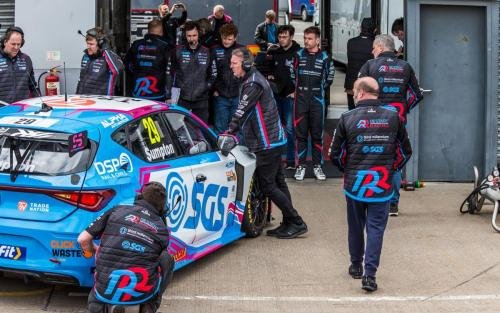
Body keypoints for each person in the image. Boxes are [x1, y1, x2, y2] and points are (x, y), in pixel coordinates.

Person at [328, 77, 412, 292]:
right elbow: (405, 151)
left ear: (362, 93)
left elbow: (335, 154)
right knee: (375, 229)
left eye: (355, 90)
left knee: (355, 225)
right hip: (382, 185)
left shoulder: (347, 117)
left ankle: (356, 265)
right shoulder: (394, 117)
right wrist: (391, 170)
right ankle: (370, 276)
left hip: (355, 185)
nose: (353, 94)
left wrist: (346, 170)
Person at [227, 47, 308, 239]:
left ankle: (296, 221)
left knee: (268, 185)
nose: (231, 67)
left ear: (246, 64)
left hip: (267, 143)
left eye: (234, 63)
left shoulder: (253, 84)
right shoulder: (252, 79)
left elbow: (241, 111)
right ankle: (289, 222)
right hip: (273, 140)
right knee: (278, 182)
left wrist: (230, 131)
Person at [78, 182, 174, 313]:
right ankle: (153, 302)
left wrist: (95, 250)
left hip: (102, 297)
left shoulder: (117, 209)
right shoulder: (163, 230)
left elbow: (83, 239)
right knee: (167, 258)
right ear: (162, 209)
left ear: (139, 198)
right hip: (141, 298)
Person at [358, 34, 423, 216]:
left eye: (373, 47)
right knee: (394, 161)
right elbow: (416, 95)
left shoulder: (369, 65)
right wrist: (402, 110)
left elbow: (360, 93)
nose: (372, 51)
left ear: (379, 47)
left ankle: (371, 199)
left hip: (371, 120)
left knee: (370, 158)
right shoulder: (406, 66)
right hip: (397, 121)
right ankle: (392, 205)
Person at [293, 26, 335, 181]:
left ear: (317, 40)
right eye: (305, 38)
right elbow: (293, 74)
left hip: (317, 99)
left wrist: (319, 90)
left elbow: (330, 76)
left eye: (309, 38)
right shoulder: (298, 55)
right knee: (300, 135)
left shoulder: (325, 57)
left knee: (317, 135)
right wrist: (300, 90)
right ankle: (301, 166)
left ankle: (318, 166)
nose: (306, 41)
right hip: (301, 99)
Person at [166, 21, 217, 123]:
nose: (192, 38)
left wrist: (205, 87)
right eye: (189, 36)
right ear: (185, 36)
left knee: (202, 129)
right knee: (177, 127)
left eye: (194, 35)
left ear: (199, 35)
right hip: (182, 98)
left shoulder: (207, 52)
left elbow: (214, 74)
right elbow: (169, 74)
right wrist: (168, 95)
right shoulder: (176, 51)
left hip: (202, 99)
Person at [266, 24, 301, 169]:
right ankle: (276, 159)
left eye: (284, 37)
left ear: (291, 37)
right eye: (280, 37)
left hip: (290, 97)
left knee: (290, 129)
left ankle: (291, 161)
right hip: (276, 96)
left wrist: (297, 91)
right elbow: (268, 69)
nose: (281, 39)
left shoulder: (299, 53)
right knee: (275, 128)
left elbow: (303, 75)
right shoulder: (275, 52)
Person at [124, 19, 170, 101]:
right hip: (157, 92)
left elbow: (126, 64)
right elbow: (169, 69)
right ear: (161, 32)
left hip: (138, 91)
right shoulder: (165, 46)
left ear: (148, 31)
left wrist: (135, 72)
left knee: (139, 113)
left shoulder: (136, 44)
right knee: (155, 113)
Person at [211, 24, 243, 133]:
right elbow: (210, 71)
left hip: (237, 95)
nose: (226, 41)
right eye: (224, 38)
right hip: (220, 96)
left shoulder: (242, 50)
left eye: (229, 39)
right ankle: (218, 150)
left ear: (235, 38)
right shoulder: (214, 50)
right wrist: (214, 90)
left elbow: (248, 72)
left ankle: (235, 150)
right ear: (221, 36)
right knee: (220, 128)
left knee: (236, 128)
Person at [76, 27, 124, 96]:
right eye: (87, 43)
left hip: (102, 102)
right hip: (84, 100)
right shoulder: (85, 56)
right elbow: (81, 80)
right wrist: (77, 96)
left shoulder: (109, 56)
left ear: (100, 44)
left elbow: (118, 70)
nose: (88, 46)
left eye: (91, 44)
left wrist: (105, 48)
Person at [0, 26, 37, 104]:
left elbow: (33, 86)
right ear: (5, 42)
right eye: (13, 44)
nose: (16, 47)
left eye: (18, 44)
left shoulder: (26, 59)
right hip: (2, 110)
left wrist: (41, 104)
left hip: (21, 110)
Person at [345, 18, 375, 111]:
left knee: (351, 110)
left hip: (351, 82)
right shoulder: (375, 44)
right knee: (366, 111)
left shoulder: (351, 42)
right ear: (374, 30)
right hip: (367, 84)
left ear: (360, 28)